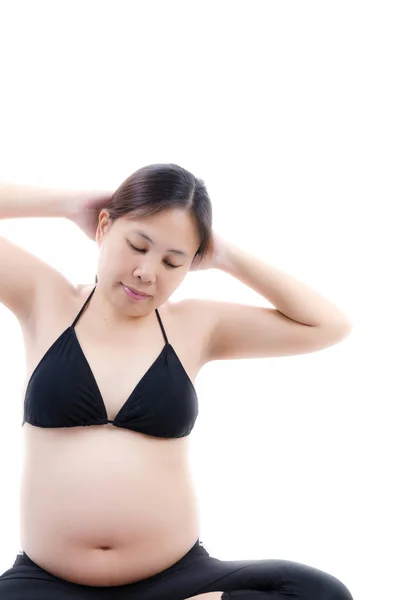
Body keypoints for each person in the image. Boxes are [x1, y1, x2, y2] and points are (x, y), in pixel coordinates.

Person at [0, 163, 354, 599]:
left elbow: (328, 326)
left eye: (172, 261)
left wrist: (224, 255)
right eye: (137, 245)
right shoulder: (46, 299)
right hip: (46, 583)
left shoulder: (196, 326)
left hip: (176, 582)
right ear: (105, 226)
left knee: (317, 592)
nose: (147, 273)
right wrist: (70, 204)